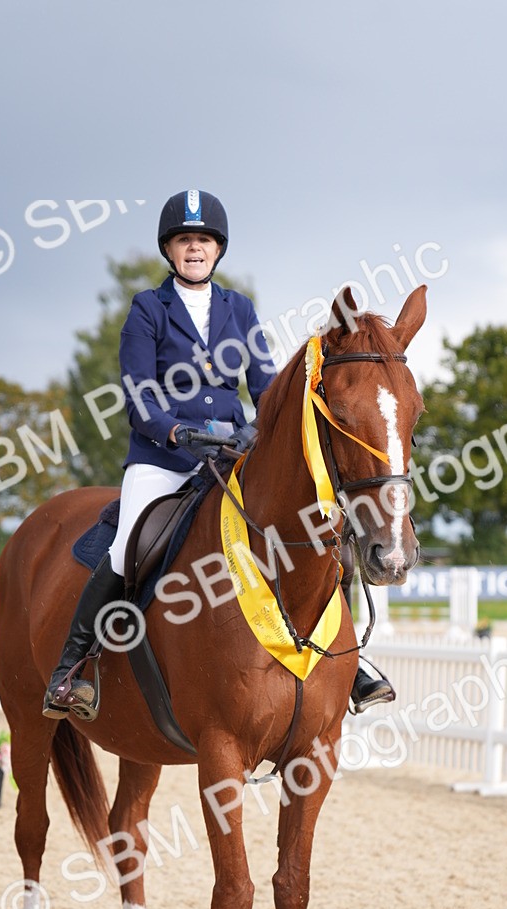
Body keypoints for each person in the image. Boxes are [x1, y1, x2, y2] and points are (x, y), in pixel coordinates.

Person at [43, 188, 394, 720]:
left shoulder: (239, 309)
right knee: (124, 549)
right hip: (163, 460)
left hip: (230, 458)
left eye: (203, 240)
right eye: (185, 240)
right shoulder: (147, 309)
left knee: (320, 528)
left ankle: (351, 661)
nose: (194, 249)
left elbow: (264, 384)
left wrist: (258, 430)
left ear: (217, 249)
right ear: (169, 249)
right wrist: (178, 433)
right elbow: (139, 393)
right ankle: (75, 667)